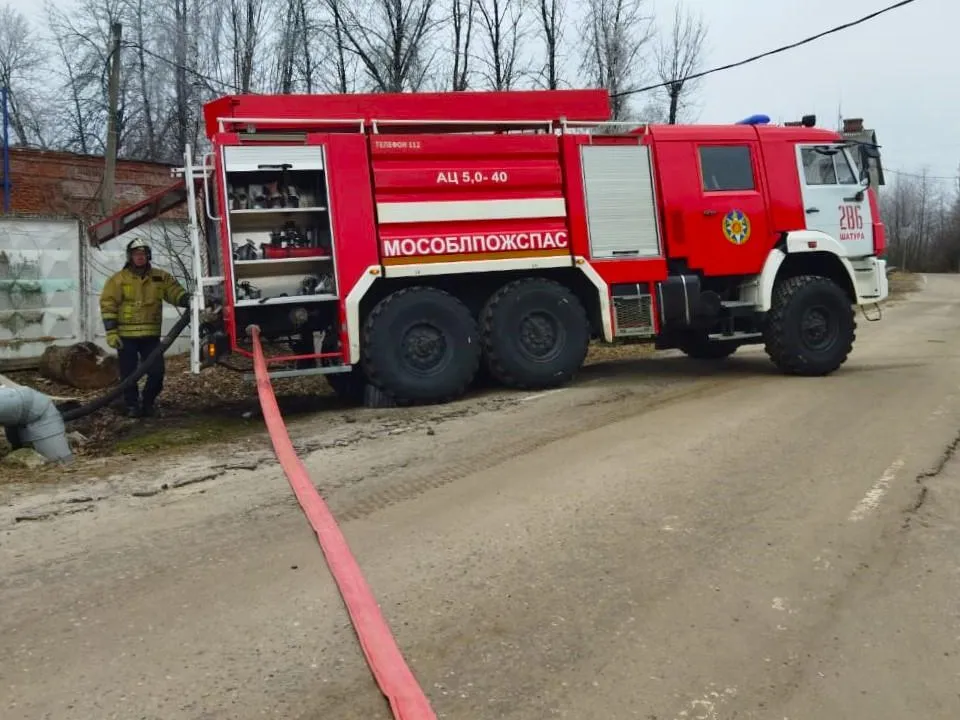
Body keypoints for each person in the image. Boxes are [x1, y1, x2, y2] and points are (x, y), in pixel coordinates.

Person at [100, 238, 190, 417]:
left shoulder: (160, 277)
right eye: (136, 254)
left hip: (150, 336)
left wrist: (188, 300)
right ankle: (132, 406)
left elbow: (174, 292)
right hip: (126, 336)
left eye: (143, 254)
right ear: (129, 257)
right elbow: (108, 305)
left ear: (148, 256)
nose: (140, 257)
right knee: (129, 375)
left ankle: (148, 403)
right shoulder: (118, 280)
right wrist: (111, 332)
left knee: (157, 372)